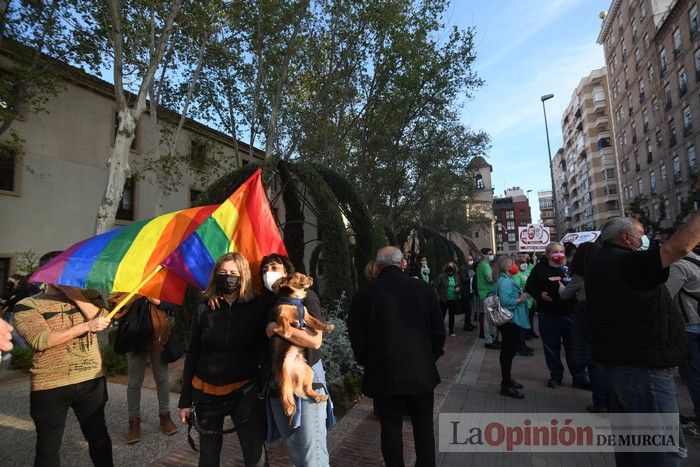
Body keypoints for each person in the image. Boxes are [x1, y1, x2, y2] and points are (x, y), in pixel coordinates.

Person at [586, 213, 700, 467]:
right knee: (658, 450)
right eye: (641, 233)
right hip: (643, 370)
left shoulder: (604, 262)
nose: (645, 238)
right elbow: (679, 246)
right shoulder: (626, 263)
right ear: (626, 238)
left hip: (624, 364)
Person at [13, 251, 113, 466]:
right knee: (48, 448)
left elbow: (104, 322)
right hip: (50, 384)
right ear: (46, 274)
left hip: (91, 380)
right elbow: (40, 340)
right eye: (60, 269)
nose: (66, 274)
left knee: (99, 439)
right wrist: (85, 326)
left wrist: (75, 295)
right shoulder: (28, 305)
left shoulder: (90, 296)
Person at [349, 246, 445, 467]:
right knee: (423, 428)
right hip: (420, 371)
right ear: (402, 264)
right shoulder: (423, 289)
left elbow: (356, 336)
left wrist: (369, 361)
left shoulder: (364, 294)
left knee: (390, 429)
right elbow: (438, 331)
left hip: (384, 372)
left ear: (379, 265)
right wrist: (429, 357)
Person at [178, 252, 267, 467]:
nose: (228, 277)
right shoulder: (204, 308)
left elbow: (267, 347)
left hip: (244, 393)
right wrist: (185, 401)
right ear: (216, 275)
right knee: (208, 457)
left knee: (255, 456)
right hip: (207, 394)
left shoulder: (257, 307)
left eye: (234, 273)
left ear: (243, 276)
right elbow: (193, 354)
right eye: (223, 272)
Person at [261, 253, 335, 467]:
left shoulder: (306, 297)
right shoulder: (271, 302)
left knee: (314, 459)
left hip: (307, 383)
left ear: (287, 272)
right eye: (264, 270)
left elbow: (315, 341)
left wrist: (277, 329)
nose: (268, 273)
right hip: (279, 384)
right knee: (297, 456)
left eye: (273, 268)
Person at [114, 294, 179, 444]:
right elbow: (116, 307)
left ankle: (165, 416)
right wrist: (132, 296)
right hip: (134, 335)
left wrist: (159, 301)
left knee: (161, 378)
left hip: (158, 335)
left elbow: (174, 306)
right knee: (135, 381)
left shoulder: (159, 279)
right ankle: (134, 421)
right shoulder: (128, 280)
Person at [525, 242, 589, 389]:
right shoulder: (539, 268)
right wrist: (540, 294)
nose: (559, 254)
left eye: (561, 251)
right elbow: (529, 286)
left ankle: (579, 377)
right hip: (548, 314)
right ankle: (556, 376)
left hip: (571, 314)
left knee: (573, 347)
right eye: (555, 251)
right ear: (548, 254)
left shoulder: (571, 268)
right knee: (551, 347)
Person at [558, 242, 608, 413]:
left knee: (593, 362)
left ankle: (600, 402)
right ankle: (611, 400)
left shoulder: (580, 276)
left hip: (586, 317)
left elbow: (565, 295)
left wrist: (560, 285)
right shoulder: (607, 271)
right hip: (607, 316)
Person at [665, 232, 700, 439]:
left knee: (693, 375)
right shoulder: (697, 260)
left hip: (689, 326)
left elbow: (665, 296)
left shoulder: (678, 266)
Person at [493, 255, 531, 399]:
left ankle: (507, 380)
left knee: (508, 352)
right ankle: (506, 385)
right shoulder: (505, 282)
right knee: (508, 353)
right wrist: (520, 299)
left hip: (511, 321)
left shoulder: (506, 280)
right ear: (506, 266)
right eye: (512, 264)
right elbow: (506, 301)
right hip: (510, 321)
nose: (515, 265)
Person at [476, 248, 499, 349]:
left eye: (492, 254)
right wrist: (499, 275)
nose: (492, 255)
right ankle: (489, 341)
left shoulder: (484, 265)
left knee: (490, 318)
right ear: (484, 255)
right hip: (487, 294)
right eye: (490, 254)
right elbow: (490, 279)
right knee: (489, 319)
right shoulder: (484, 265)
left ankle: (492, 339)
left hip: (487, 294)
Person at [434, 261, 461, 336]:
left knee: (452, 315)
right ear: (446, 267)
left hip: (453, 299)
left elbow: (459, 285)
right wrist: (437, 296)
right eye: (449, 266)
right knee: (442, 315)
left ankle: (451, 331)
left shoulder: (457, 276)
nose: (450, 267)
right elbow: (435, 286)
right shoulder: (441, 276)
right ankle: (440, 330)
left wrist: (458, 288)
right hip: (443, 299)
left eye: (452, 266)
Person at [458, 257, 477, 331]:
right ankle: (466, 325)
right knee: (467, 309)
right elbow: (463, 279)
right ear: (466, 260)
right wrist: (472, 278)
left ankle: (469, 323)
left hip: (471, 291)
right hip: (465, 292)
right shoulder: (463, 268)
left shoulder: (471, 268)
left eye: (472, 259)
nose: (471, 261)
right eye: (470, 260)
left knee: (470, 309)